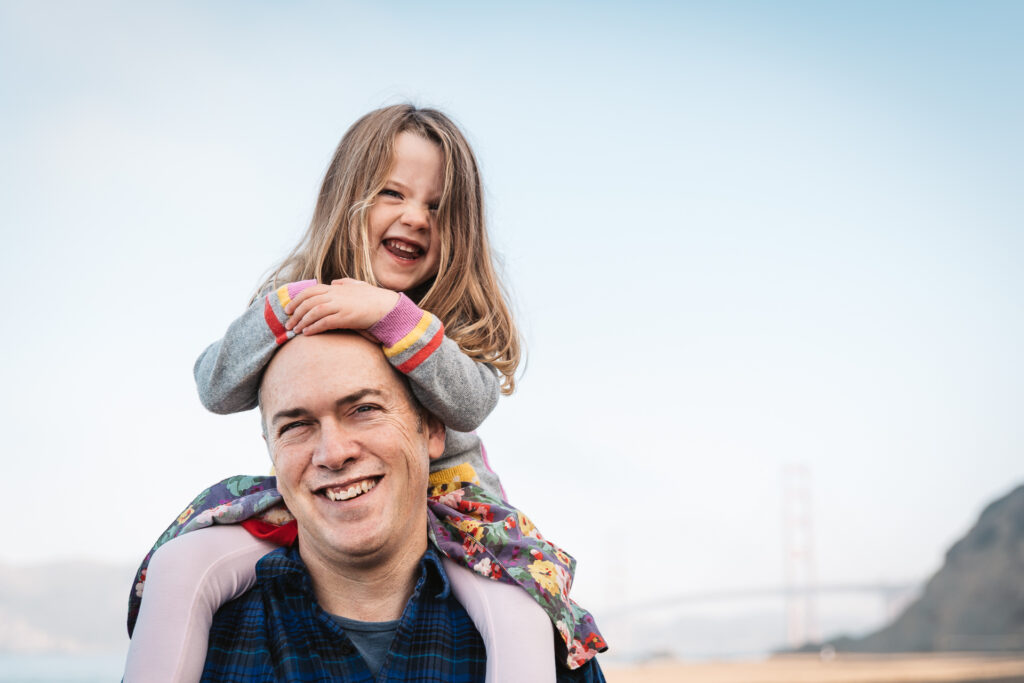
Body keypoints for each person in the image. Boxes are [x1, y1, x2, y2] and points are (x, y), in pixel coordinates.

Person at [124, 105, 606, 682]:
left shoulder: (444, 319)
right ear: (348, 197)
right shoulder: (294, 303)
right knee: (180, 563)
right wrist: (285, 309)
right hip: (314, 505)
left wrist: (393, 318)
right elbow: (214, 386)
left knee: (521, 609)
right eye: (393, 193)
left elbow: (472, 402)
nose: (417, 217)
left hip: (457, 513)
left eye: (437, 207)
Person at [198, 331, 604, 681]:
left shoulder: (547, 651)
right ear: (271, 449)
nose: (333, 453)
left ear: (432, 430)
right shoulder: (206, 644)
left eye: (364, 409)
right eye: (296, 425)